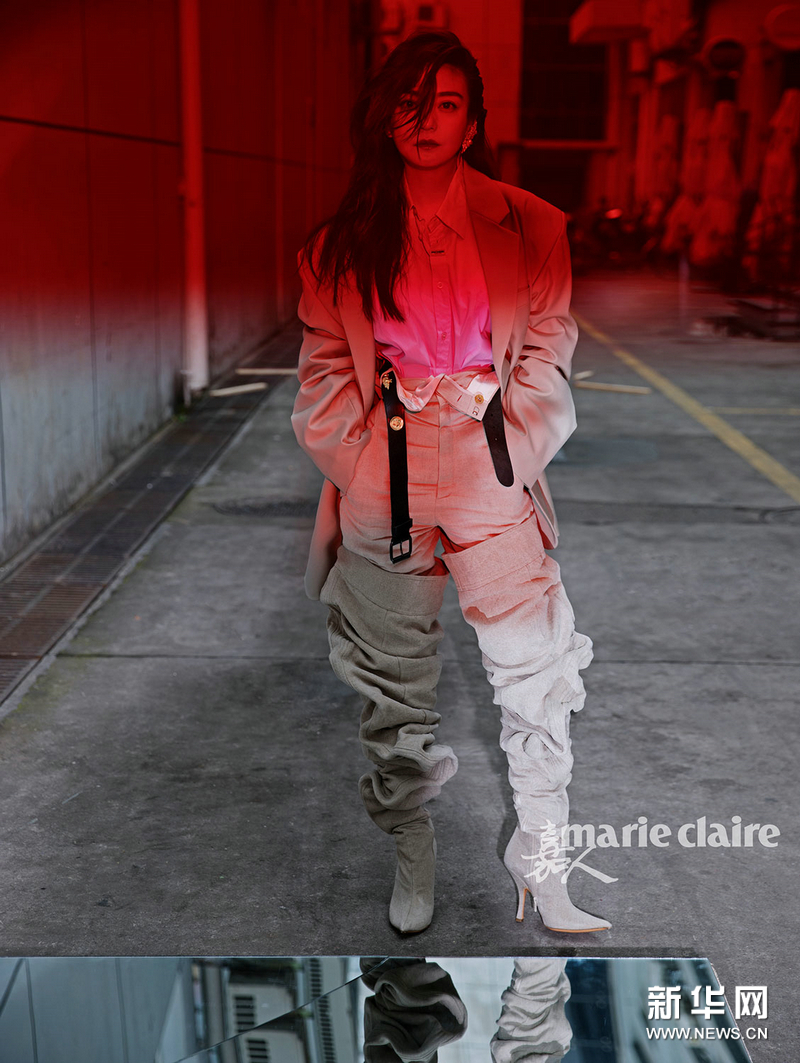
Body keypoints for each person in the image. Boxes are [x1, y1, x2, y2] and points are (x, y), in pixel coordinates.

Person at [291, 29, 610, 936]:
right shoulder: (338, 243)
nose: (426, 119)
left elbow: (547, 347)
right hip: (382, 466)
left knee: (534, 670)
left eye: (447, 103)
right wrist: (357, 460)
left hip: (490, 456)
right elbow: (323, 366)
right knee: (392, 682)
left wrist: (514, 451)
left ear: (473, 124)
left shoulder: (533, 224)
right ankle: (413, 849)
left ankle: (540, 857)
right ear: (384, 116)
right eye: (410, 101)